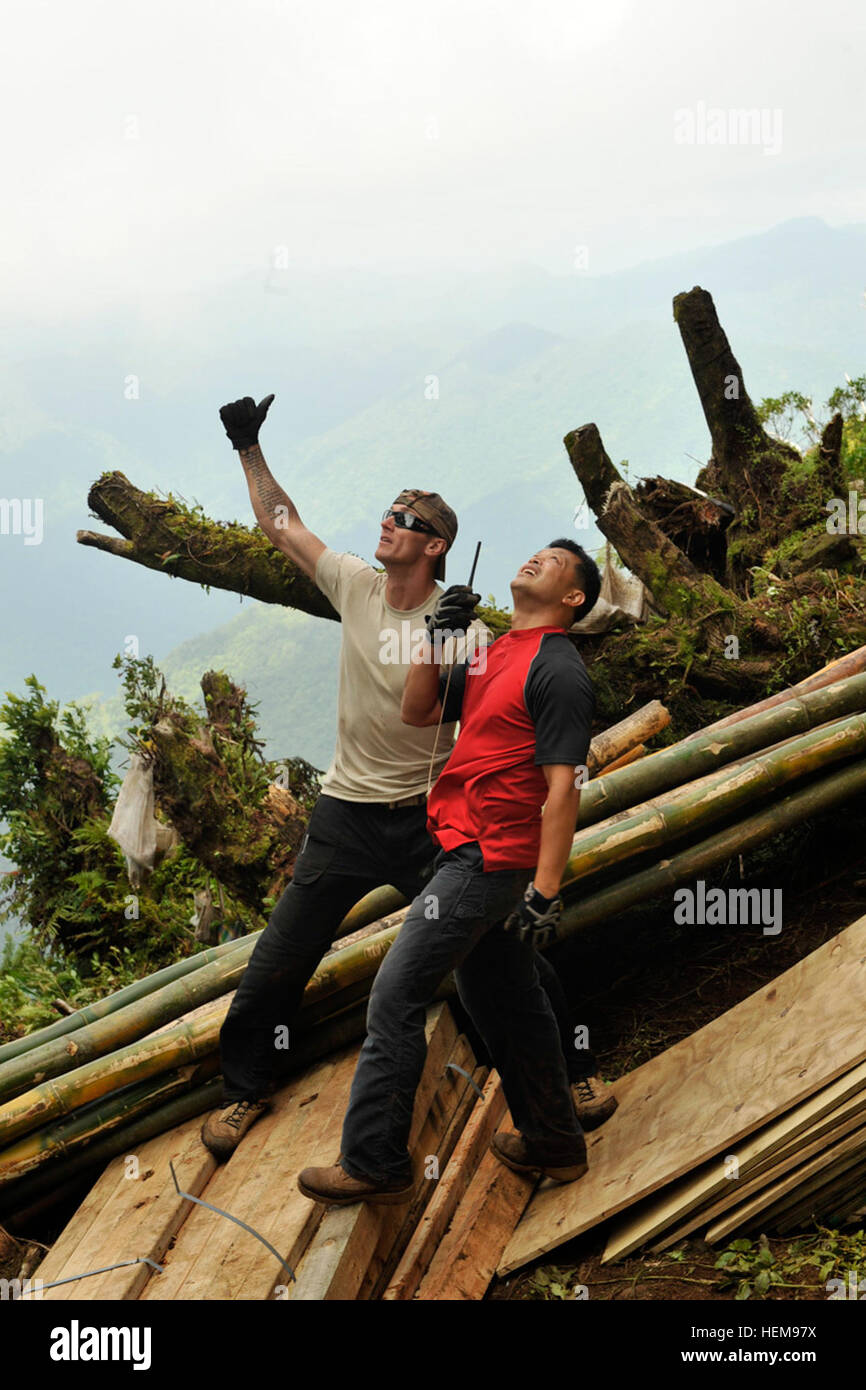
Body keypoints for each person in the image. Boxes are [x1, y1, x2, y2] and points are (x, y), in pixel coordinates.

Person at [201, 394, 610, 1161]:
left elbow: (475, 732)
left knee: (502, 957)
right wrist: (248, 449)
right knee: (279, 960)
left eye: (406, 520)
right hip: (346, 812)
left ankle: (575, 1076)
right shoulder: (355, 584)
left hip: (430, 819)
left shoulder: (475, 634)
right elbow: (282, 523)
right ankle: (244, 1090)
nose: (387, 523)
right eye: (389, 513)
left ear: (437, 547)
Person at [297, 538, 603, 1206]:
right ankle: (555, 1145)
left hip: (492, 858)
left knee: (396, 992)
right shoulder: (497, 652)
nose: (534, 559)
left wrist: (546, 890)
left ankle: (374, 1161)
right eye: (536, 552)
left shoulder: (558, 670)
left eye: (552, 562)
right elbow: (420, 711)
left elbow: (564, 789)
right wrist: (436, 642)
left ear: (573, 598)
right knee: (504, 998)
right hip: (465, 845)